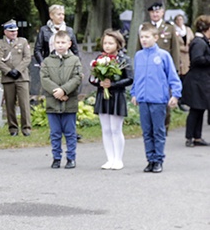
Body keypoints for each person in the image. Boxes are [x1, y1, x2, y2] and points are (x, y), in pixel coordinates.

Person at [132, 25, 182, 174]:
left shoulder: (163, 55)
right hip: (143, 99)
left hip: (158, 99)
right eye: (142, 37)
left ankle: (159, 159)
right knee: (147, 131)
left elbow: (173, 77)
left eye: (147, 37)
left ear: (156, 38)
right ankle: (150, 160)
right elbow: (137, 78)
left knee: (158, 131)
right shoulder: (138, 56)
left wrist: (175, 94)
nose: (144, 40)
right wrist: (135, 93)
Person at [88, 29, 132, 170]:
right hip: (103, 95)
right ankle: (110, 158)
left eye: (110, 43)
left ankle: (118, 159)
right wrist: (98, 82)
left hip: (117, 95)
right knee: (106, 129)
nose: (107, 46)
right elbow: (92, 78)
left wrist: (112, 84)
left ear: (118, 44)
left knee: (115, 129)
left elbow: (130, 78)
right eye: (105, 43)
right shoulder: (99, 59)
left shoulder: (124, 59)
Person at [40, 30, 82, 169]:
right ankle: (56, 158)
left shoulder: (75, 60)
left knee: (70, 133)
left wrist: (64, 90)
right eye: (57, 42)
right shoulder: (47, 61)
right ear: (53, 44)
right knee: (55, 133)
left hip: (69, 102)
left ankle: (71, 158)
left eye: (63, 42)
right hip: (53, 103)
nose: (60, 45)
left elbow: (77, 78)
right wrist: (56, 92)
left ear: (69, 44)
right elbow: (44, 79)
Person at [0, 20, 32, 137]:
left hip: (22, 77)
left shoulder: (22, 41)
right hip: (8, 78)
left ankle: (26, 129)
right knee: (10, 104)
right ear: (5, 31)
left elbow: (27, 58)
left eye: (15, 31)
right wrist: (8, 71)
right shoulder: (0, 44)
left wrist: (18, 70)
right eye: (11, 31)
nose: (14, 33)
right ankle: (13, 129)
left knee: (24, 103)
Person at [182, 16, 210, 147]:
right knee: (195, 109)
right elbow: (197, 59)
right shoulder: (199, 43)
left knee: (200, 109)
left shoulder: (203, 41)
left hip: (201, 81)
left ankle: (197, 137)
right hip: (196, 81)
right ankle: (190, 136)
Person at [139, 2, 181, 74]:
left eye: (157, 12)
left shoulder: (170, 27)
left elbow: (175, 48)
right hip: (148, 64)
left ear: (162, 13)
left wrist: (176, 67)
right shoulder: (144, 27)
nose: (155, 14)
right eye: (152, 12)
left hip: (164, 65)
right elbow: (139, 47)